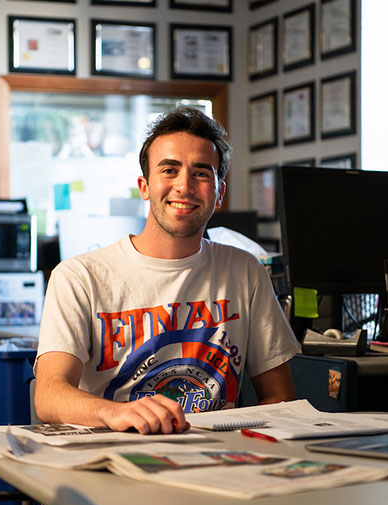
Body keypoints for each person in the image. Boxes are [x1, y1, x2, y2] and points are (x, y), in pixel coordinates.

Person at [34, 106, 300, 434]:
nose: (184, 186)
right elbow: (48, 396)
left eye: (201, 173)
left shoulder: (245, 272)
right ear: (144, 186)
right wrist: (115, 413)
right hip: (116, 454)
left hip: (216, 460)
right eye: (169, 170)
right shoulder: (78, 277)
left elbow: (280, 396)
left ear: (219, 194)